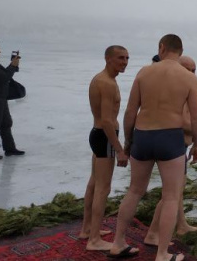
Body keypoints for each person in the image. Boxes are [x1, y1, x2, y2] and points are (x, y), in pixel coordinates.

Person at [108, 34, 197, 261]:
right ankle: (162, 253)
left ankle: (118, 243)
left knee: (134, 191)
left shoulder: (144, 72)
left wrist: (128, 142)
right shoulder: (188, 78)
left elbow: (130, 112)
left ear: (161, 48)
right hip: (170, 136)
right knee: (171, 196)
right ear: (180, 51)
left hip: (143, 134)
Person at [144, 56, 197, 246]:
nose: (193, 74)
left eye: (194, 70)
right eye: (189, 70)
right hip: (175, 146)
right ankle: (153, 233)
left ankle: (181, 224)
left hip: (178, 146)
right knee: (171, 194)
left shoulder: (181, 88)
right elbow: (182, 122)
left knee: (178, 191)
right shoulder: (181, 90)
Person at [78, 45, 129, 251]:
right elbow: (107, 121)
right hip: (105, 136)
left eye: (126, 58)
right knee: (103, 188)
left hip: (98, 135)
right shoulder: (106, 83)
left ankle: (88, 229)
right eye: (120, 58)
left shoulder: (104, 79)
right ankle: (94, 241)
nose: (124, 62)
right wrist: (119, 150)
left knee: (93, 183)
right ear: (107, 59)